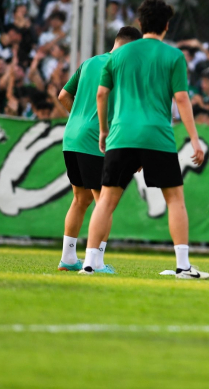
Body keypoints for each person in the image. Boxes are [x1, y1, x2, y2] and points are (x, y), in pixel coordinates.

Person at [79, 0, 207, 278]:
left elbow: (101, 94)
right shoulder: (173, 56)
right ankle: (183, 266)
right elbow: (182, 99)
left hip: (121, 134)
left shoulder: (118, 55)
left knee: (107, 201)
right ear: (167, 25)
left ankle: (89, 262)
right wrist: (194, 140)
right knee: (174, 199)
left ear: (140, 23)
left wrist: (103, 130)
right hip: (157, 136)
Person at [56, 26, 142, 272]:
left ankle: (68, 259)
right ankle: (95, 262)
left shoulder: (89, 63)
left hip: (72, 137)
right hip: (97, 141)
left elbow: (63, 95)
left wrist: (80, 120)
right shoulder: (125, 69)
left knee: (80, 199)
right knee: (104, 203)